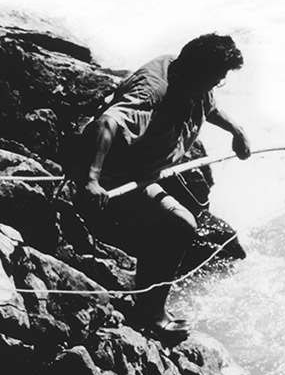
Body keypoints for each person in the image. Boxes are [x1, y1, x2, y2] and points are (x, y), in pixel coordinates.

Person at [77, 33, 250, 344]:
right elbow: (107, 122)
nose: (216, 85)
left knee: (180, 222)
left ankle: (148, 300)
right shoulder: (153, 90)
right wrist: (91, 179)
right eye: (215, 79)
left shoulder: (191, 77)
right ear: (196, 72)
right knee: (180, 225)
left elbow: (208, 108)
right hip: (117, 176)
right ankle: (151, 313)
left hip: (150, 170)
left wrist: (235, 129)